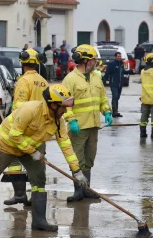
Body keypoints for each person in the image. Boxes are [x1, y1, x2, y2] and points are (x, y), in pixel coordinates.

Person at [0, 85, 88, 232]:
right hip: (5, 145)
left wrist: (76, 171)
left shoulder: (58, 121)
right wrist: (32, 151)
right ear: (53, 105)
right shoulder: (30, 110)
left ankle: (39, 221)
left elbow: (66, 145)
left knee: (39, 180)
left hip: (31, 148)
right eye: (62, 107)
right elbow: (14, 135)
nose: (65, 111)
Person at [62, 44, 112, 202]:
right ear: (83, 60)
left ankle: (86, 188)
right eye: (92, 60)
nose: (95, 63)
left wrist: (107, 111)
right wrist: (71, 120)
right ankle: (78, 190)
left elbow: (102, 97)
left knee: (89, 159)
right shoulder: (70, 79)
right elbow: (64, 104)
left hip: (93, 125)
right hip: (78, 126)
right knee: (77, 160)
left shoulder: (96, 76)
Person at [1, 48, 49, 208]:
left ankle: (20, 194)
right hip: (39, 131)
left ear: (23, 63)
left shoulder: (23, 81)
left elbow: (19, 107)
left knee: (14, 161)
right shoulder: (43, 81)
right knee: (36, 166)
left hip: (23, 130)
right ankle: (36, 199)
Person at [103, 52, 132, 118]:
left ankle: (116, 111)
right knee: (115, 97)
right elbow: (107, 73)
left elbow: (123, 71)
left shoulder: (121, 64)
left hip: (120, 84)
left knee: (117, 98)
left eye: (120, 56)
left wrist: (130, 71)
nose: (119, 57)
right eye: (118, 56)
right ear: (115, 57)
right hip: (114, 84)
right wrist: (104, 81)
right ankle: (114, 112)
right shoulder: (112, 64)